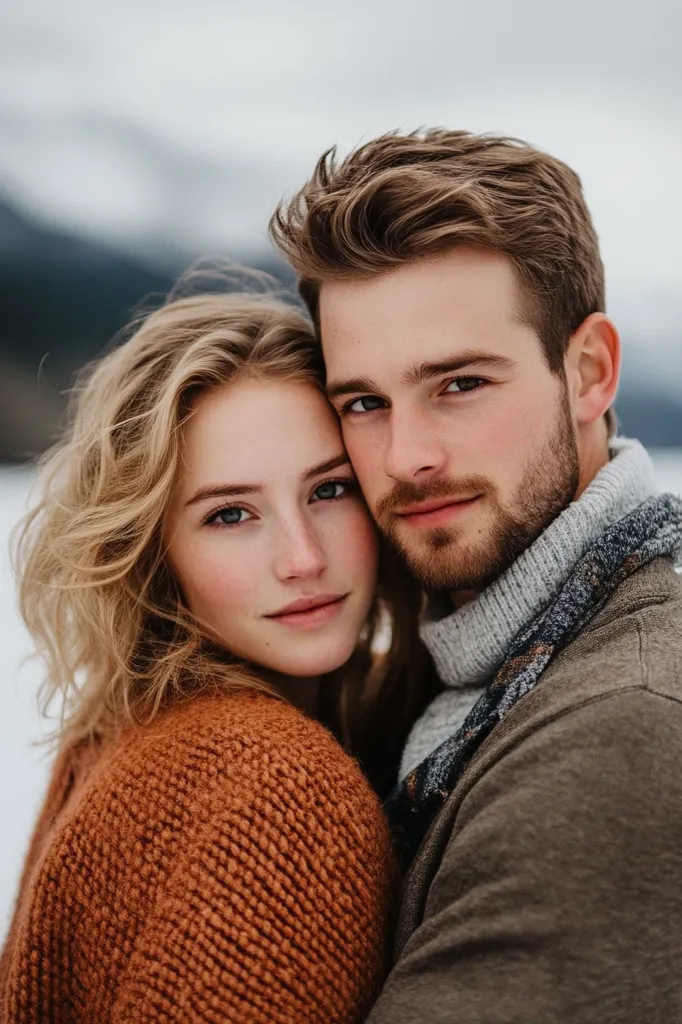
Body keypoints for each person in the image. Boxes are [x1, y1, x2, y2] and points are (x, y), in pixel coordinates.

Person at [271, 129, 682, 1023]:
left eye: (457, 384)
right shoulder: (477, 663)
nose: (407, 456)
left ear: (589, 373)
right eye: (364, 404)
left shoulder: (620, 736)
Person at [0, 287, 433, 1024]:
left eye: (329, 489)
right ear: (150, 549)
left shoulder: (116, 731)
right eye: (230, 513)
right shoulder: (281, 792)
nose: (302, 558)